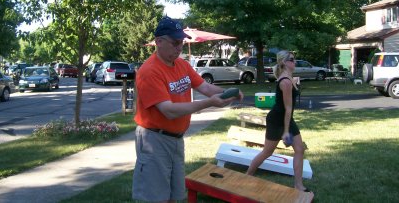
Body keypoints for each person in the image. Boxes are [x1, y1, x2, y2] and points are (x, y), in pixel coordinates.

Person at [132, 16, 243, 203]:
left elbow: (205, 88)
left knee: (174, 195)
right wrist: (209, 103)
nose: (179, 48)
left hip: (176, 139)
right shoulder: (149, 71)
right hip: (154, 140)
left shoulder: (182, 65)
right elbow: (168, 110)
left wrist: (227, 93)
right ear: (159, 42)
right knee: (156, 197)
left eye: (181, 43)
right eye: (175, 43)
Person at [246, 50, 311, 193]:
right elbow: (288, 109)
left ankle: (298, 185)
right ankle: (247, 176)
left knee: (299, 150)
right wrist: (286, 131)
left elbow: (289, 110)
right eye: (292, 59)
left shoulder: (289, 77)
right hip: (277, 120)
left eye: (294, 59)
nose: (295, 62)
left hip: (286, 119)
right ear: (284, 62)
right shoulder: (286, 82)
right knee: (267, 152)